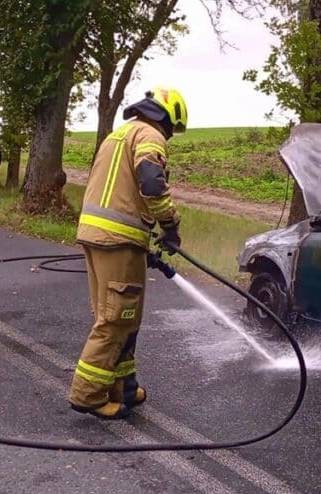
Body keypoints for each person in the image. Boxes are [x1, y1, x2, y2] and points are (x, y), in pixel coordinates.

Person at [69, 87, 187, 420]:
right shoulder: (150, 135)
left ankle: (123, 386)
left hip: (99, 236)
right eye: (173, 130)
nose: (170, 136)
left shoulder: (118, 135)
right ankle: (88, 394)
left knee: (124, 318)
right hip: (118, 239)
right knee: (115, 319)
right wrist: (170, 225)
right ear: (168, 117)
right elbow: (151, 183)